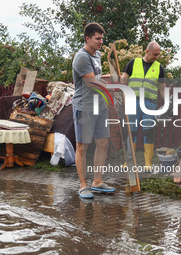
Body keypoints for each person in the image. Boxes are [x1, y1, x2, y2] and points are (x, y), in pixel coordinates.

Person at [72, 22, 116, 199]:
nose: (101, 42)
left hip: (99, 106)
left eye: (102, 38)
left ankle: (97, 182)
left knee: (103, 143)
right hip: (85, 107)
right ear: (87, 38)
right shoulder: (81, 57)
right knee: (83, 146)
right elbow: (92, 83)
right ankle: (83, 185)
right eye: (98, 39)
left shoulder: (97, 55)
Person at [121, 41, 166, 171]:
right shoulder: (133, 63)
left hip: (149, 103)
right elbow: (123, 80)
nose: (157, 57)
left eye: (158, 54)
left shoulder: (159, 68)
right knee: (132, 131)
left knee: (148, 131)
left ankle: (148, 163)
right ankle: (128, 162)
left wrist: (167, 102)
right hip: (133, 101)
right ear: (147, 52)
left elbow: (162, 88)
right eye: (155, 54)